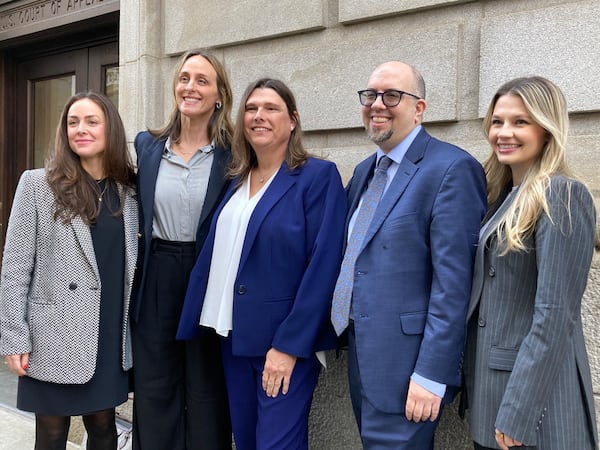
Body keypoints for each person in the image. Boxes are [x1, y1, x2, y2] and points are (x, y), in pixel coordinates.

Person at [177, 78, 346, 450]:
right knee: (249, 442)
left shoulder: (317, 177)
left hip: (283, 344)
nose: (259, 116)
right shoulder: (236, 179)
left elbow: (324, 266)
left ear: (293, 120)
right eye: (252, 109)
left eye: (271, 108)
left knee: (276, 446)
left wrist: (288, 347)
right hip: (232, 338)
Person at [330, 61, 487, 449]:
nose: (377, 104)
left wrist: (432, 374)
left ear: (419, 108)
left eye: (392, 95)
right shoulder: (366, 170)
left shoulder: (451, 168)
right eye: (370, 95)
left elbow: (453, 285)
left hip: (409, 372)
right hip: (364, 358)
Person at [462, 76, 599, 450]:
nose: (504, 132)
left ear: (547, 128)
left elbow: (554, 316)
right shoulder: (500, 196)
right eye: (497, 121)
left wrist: (520, 411)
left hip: (536, 410)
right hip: (494, 398)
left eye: (520, 122)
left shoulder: (562, 195)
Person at [0, 91, 138, 449]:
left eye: (92, 121)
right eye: (73, 122)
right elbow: (15, 267)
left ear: (111, 129)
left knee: (105, 426)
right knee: (50, 430)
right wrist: (14, 336)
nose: (81, 129)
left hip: (107, 333)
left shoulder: (129, 191)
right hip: (52, 334)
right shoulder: (36, 185)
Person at [131, 49, 232, 450]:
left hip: (207, 273)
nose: (190, 87)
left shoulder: (234, 153)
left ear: (219, 95)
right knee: (155, 387)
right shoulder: (147, 146)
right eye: (184, 78)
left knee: (206, 386)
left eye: (202, 80)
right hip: (157, 272)